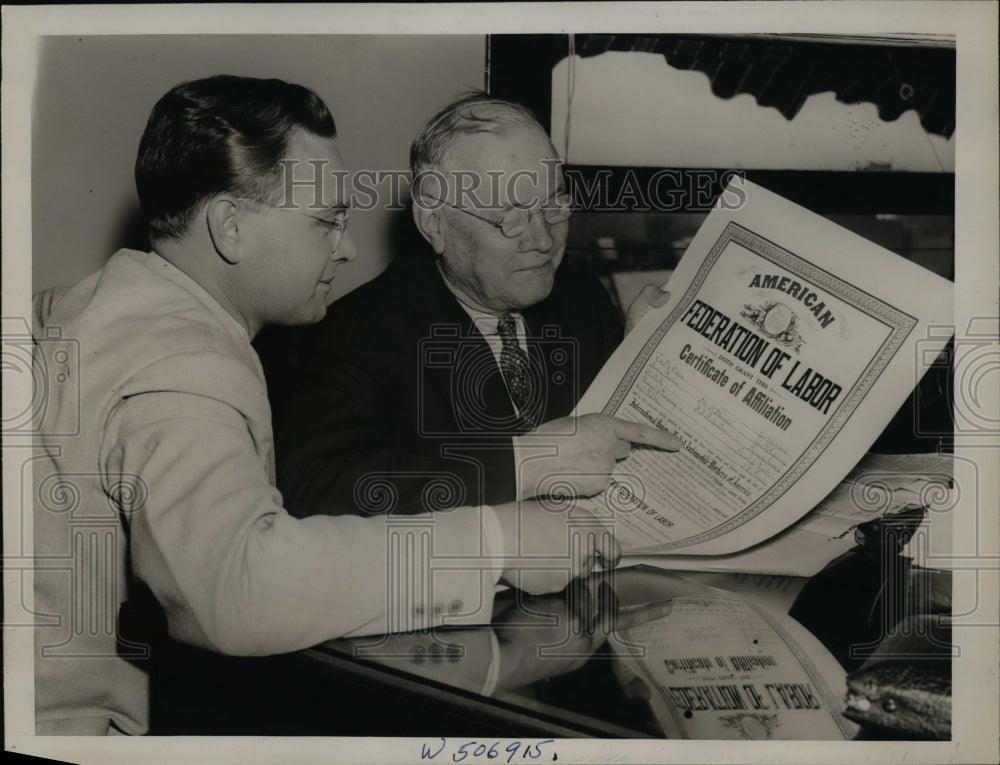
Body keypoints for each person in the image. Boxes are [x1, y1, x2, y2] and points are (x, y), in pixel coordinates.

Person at [31, 75, 623, 736]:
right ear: (230, 227)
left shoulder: (98, 306)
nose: (345, 246)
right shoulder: (180, 360)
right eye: (326, 220)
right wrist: (497, 542)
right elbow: (239, 591)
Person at [272, 92, 676, 518]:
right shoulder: (354, 333)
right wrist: (523, 464)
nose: (542, 241)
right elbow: (315, 490)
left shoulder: (580, 297)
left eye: (553, 205)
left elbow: (609, 446)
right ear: (435, 224)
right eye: (510, 218)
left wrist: (640, 362)